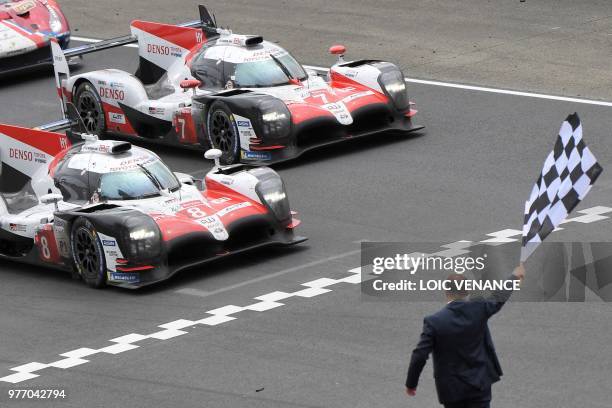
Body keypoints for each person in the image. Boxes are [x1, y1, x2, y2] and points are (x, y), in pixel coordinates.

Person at [405, 264, 525, 408]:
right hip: (479, 385)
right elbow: (498, 297)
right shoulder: (479, 308)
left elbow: (419, 355)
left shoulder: (434, 322)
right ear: (467, 291)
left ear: (446, 291)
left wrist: (411, 384)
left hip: (452, 392)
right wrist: (514, 277)